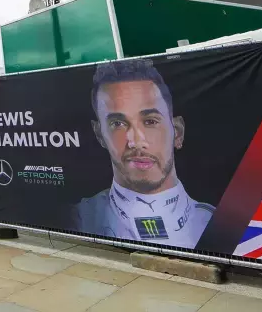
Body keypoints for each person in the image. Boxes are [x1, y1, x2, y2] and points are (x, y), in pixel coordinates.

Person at [75, 59, 213, 247]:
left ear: (177, 132)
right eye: (118, 124)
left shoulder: (220, 224)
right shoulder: (77, 219)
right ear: (100, 134)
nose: (136, 141)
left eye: (150, 121)